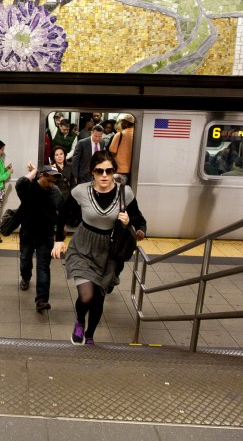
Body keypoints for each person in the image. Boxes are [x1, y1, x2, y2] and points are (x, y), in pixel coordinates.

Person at [52, 152, 147, 346]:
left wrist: (135, 226)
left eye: (109, 171)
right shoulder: (80, 191)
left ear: (114, 172)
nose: (104, 175)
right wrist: (59, 240)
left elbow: (139, 218)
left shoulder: (125, 192)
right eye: (99, 171)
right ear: (92, 172)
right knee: (86, 296)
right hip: (83, 247)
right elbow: (63, 214)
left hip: (108, 252)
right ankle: (79, 321)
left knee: (98, 299)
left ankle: (90, 335)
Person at [16, 163, 64, 311]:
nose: (51, 185)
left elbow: (61, 215)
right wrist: (34, 172)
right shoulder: (28, 189)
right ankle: (25, 276)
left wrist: (59, 238)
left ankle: (41, 300)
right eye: (48, 180)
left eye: (53, 182)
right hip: (27, 233)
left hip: (46, 236)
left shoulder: (56, 192)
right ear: (41, 176)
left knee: (43, 267)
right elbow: (20, 182)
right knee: (25, 259)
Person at [109, 114, 135, 183]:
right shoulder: (138, 134)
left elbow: (112, 151)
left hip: (121, 169)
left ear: (126, 123)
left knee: (119, 191)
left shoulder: (120, 135)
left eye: (123, 121)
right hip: (135, 170)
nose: (122, 123)